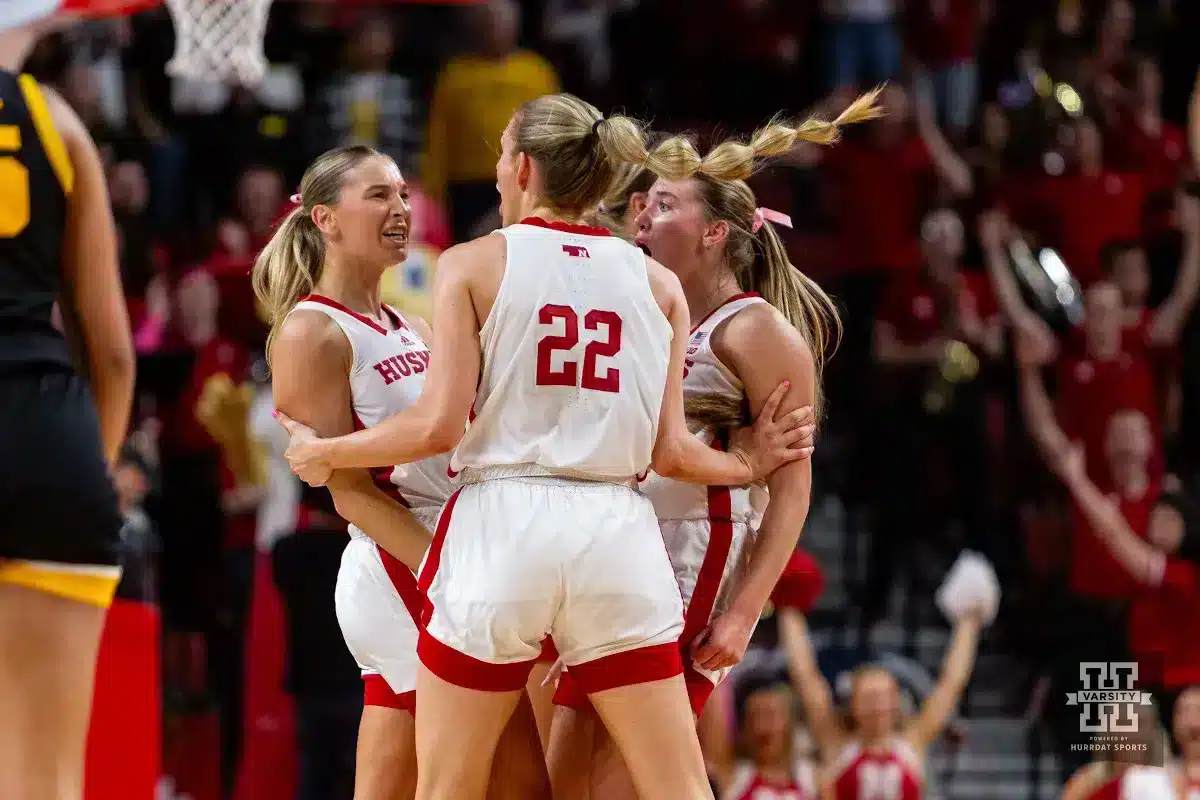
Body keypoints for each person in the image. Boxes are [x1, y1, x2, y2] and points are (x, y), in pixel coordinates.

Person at [276, 92, 815, 800]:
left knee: (451, 784)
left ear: (523, 168)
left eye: (502, 156)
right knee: (678, 784)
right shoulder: (655, 281)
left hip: (503, 526)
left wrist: (327, 455)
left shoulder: (470, 263)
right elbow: (671, 452)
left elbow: (438, 428)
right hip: (617, 531)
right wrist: (747, 463)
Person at [545, 90, 883, 798]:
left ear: (715, 234)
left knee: (626, 780)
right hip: (626, 549)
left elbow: (792, 490)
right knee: (568, 765)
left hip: (694, 553)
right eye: (645, 202)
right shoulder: (658, 318)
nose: (644, 215)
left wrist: (742, 613)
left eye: (665, 205)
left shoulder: (754, 330)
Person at [255, 146, 553, 799]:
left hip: (438, 559)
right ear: (325, 219)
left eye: (402, 195)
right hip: (404, 567)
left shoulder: (409, 323)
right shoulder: (311, 333)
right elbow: (347, 493)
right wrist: (447, 570)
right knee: (519, 781)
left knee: (395, 782)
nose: (399, 209)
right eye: (378, 196)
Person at [0, 3, 139, 798]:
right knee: (46, 779)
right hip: (50, 447)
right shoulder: (56, 122)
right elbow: (113, 353)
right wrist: (98, 465)